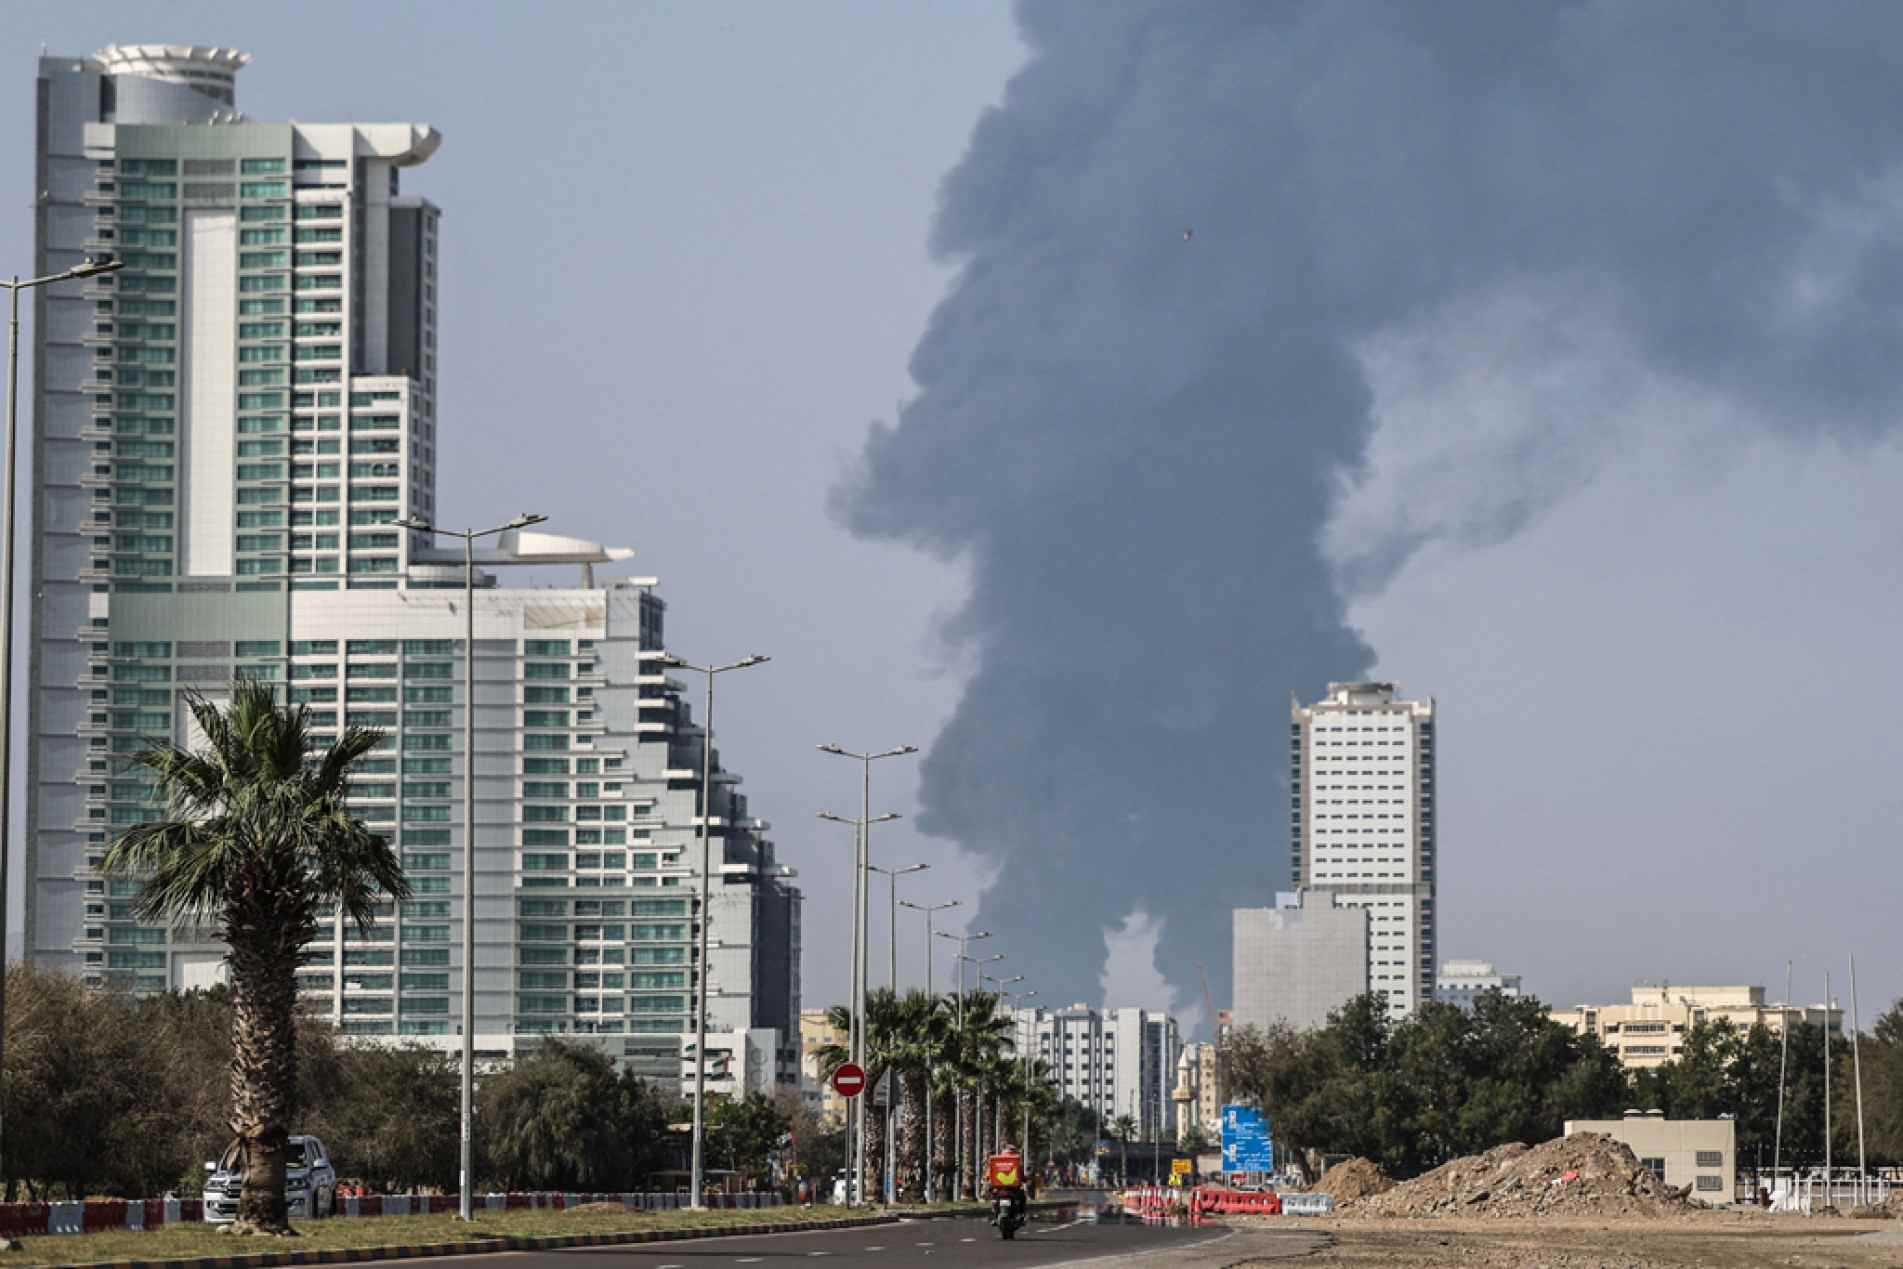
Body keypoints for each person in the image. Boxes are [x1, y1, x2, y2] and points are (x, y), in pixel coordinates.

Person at [987, 1143, 1027, 1225]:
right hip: (1013, 1189)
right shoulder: (1016, 1162)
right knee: (1022, 1197)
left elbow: (988, 1175)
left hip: (998, 1189)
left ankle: (994, 1215)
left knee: (993, 1199)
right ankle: (1021, 1215)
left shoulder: (996, 1162)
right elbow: (1021, 1176)